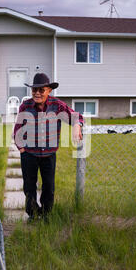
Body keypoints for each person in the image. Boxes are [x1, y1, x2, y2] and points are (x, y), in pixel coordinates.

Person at [13, 73, 84, 223]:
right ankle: (33, 214)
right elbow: (17, 129)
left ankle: (46, 215)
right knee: (29, 187)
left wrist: (77, 125)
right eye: (34, 90)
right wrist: (21, 149)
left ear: (49, 90)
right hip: (29, 154)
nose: (37, 93)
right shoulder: (25, 106)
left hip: (49, 154)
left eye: (41, 90)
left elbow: (75, 116)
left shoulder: (57, 105)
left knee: (49, 187)